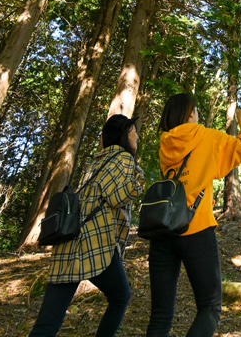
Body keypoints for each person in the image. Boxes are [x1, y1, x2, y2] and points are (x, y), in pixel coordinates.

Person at [145, 93, 241, 337]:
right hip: (196, 229)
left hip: (162, 230)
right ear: (191, 113)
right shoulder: (206, 137)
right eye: (196, 111)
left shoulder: (165, 143)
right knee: (210, 308)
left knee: (160, 316)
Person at [29, 114, 145, 337]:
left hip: (67, 244)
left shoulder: (95, 161)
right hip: (94, 244)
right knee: (121, 297)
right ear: (124, 135)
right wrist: (138, 179)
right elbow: (117, 196)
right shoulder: (123, 159)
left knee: (46, 325)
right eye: (133, 130)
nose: (137, 135)